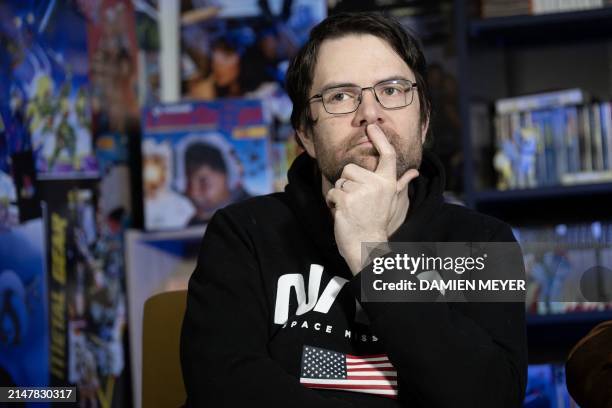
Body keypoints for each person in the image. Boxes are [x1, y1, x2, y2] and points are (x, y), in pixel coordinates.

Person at [181, 12, 527, 407]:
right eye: (340, 96)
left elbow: (492, 397)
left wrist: (372, 253)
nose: (369, 112)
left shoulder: (484, 244)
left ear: (425, 121)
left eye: (393, 90)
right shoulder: (243, 235)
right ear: (306, 135)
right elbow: (221, 389)